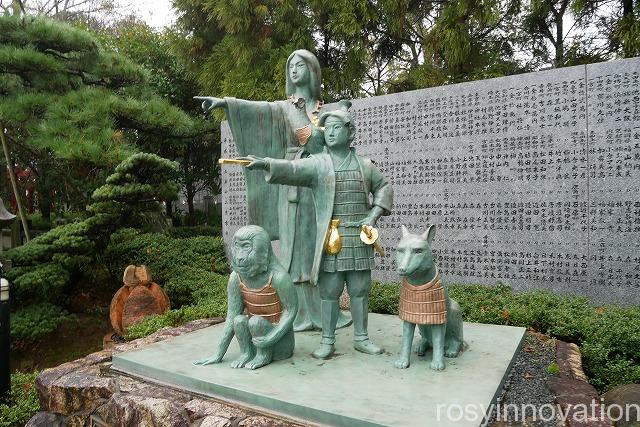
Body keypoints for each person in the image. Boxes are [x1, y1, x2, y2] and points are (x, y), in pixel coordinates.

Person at [195, 50, 350, 332]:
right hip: (290, 184)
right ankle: (299, 310)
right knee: (294, 247)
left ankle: (324, 309)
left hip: (319, 185)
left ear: (313, 71)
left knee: (319, 244)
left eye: (300, 64)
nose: (293, 70)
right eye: (290, 65)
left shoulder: (326, 110)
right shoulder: (284, 107)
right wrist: (227, 104)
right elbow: (257, 109)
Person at [244, 101, 393, 359]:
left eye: (336, 127)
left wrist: (373, 215)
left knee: (359, 290)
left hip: (358, 237)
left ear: (351, 132)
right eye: (327, 129)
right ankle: (327, 339)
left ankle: (361, 337)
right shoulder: (318, 163)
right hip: (331, 238)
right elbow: (292, 169)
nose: (330, 133)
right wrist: (267, 163)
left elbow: (384, 188)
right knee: (329, 291)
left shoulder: (365, 165)